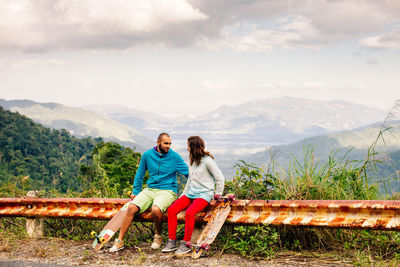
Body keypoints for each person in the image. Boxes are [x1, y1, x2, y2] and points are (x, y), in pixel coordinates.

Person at [109, 133, 189, 252]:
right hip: (150, 189)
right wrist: (136, 191)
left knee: (156, 210)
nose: (168, 146)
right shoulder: (147, 155)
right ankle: (120, 241)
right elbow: (140, 174)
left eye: (170, 144)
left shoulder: (175, 157)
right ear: (158, 142)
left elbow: (189, 174)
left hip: (167, 190)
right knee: (131, 208)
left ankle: (158, 236)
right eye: (165, 143)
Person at [161, 136, 225, 254]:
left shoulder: (207, 161)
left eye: (188, 146)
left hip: (204, 194)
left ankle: (186, 243)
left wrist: (217, 196)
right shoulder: (193, 160)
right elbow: (190, 180)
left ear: (193, 147)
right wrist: (182, 197)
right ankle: (172, 241)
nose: (187, 148)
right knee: (172, 210)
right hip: (191, 193)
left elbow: (220, 178)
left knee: (190, 213)